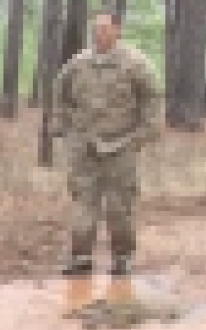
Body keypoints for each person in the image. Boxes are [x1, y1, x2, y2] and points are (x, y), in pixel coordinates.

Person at [51, 12, 162, 279]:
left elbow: (152, 98)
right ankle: (81, 258)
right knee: (83, 204)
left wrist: (144, 133)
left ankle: (122, 258)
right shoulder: (78, 64)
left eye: (104, 29)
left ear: (116, 31)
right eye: (95, 29)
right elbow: (60, 93)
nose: (98, 34)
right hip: (84, 147)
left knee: (119, 206)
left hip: (120, 145)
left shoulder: (135, 63)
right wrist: (65, 127)